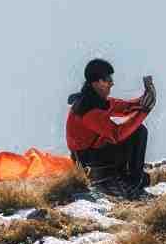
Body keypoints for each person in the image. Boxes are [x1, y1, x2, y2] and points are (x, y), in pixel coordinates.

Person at [66, 58, 156, 198]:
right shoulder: (87, 108)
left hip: (95, 155)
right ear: (97, 82)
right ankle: (133, 183)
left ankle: (128, 178)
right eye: (108, 79)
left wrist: (144, 99)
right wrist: (144, 110)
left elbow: (123, 107)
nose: (112, 83)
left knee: (137, 130)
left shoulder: (94, 99)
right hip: (88, 163)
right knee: (138, 131)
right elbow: (116, 134)